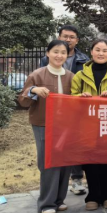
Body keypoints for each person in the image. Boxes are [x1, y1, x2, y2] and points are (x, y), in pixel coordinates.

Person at [71, 39, 107, 210]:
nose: (101, 53)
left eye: (105, 50)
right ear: (91, 52)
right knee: (91, 160)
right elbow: (71, 98)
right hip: (88, 124)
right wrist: (81, 97)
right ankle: (93, 196)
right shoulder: (80, 75)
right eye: (97, 50)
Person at [19, 40, 74, 213]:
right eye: (55, 51)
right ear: (48, 53)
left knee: (65, 161)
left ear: (67, 55)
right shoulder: (37, 75)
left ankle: (59, 199)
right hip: (43, 124)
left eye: (63, 52)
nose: (59, 55)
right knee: (48, 162)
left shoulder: (71, 76)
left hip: (66, 125)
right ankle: (46, 203)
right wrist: (33, 90)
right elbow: (23, 101)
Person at [39, 24, 89, 196]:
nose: (68, 39)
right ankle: (54, 189)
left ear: (77, 40)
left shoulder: (84, 59)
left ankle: (76, 178)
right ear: (59, 37)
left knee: (76, 144)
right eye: (65, 36)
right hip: (53, 111)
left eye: (72, 37)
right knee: (55, 148)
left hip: (76, 108)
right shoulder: (45, 60)